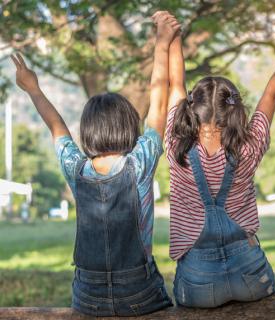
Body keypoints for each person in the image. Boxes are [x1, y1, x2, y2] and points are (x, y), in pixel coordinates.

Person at [10, 11, 180, 316]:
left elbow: (56, 126)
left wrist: (33, 88)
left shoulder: (76, 171)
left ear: (88, 131)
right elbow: (158, 99)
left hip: (88, 297)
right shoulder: (139, 164)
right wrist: (162, 43)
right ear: (130, 127)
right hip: (139, 293)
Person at [164, 20, 275, 307]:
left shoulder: (176, 147)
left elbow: (175, 84)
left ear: (192, 109)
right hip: (250, 275)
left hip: (198, 282)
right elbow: (272, 92)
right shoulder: (250, 146)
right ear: (234, 110)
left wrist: (173, 37)